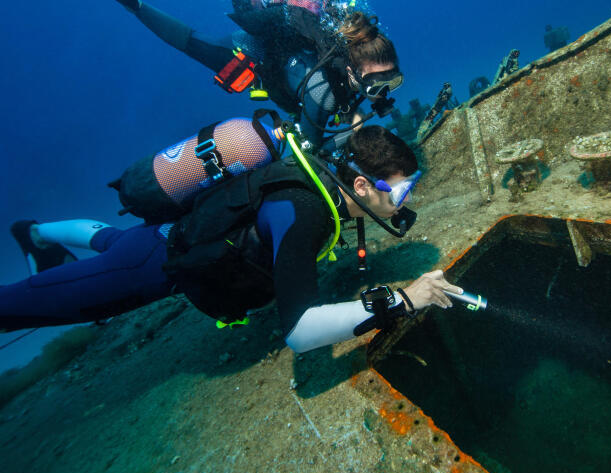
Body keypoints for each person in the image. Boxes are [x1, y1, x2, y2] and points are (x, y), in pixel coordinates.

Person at [1, 126, 459, 353]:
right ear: (361, 187)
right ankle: (37, 238)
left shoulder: (313, 178)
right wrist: (403, 298)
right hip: (147, 267)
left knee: (109, 239)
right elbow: (299, 332)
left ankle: (35, 233)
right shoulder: (308, 212)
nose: (405, 200)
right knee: (21, 305)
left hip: (157, 237)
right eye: (399, 190)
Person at [20, 0, 404, 148]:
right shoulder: (322, 90)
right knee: (193, 44)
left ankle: (129, 1)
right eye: (377, 84)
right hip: (255, 50)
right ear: (351, 69)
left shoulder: (346, 64)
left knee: (195, 44)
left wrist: (360, 112)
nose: (383, 92)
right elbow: (310, 144)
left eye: (392, 81)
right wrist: (354, 134)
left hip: (287, 49)